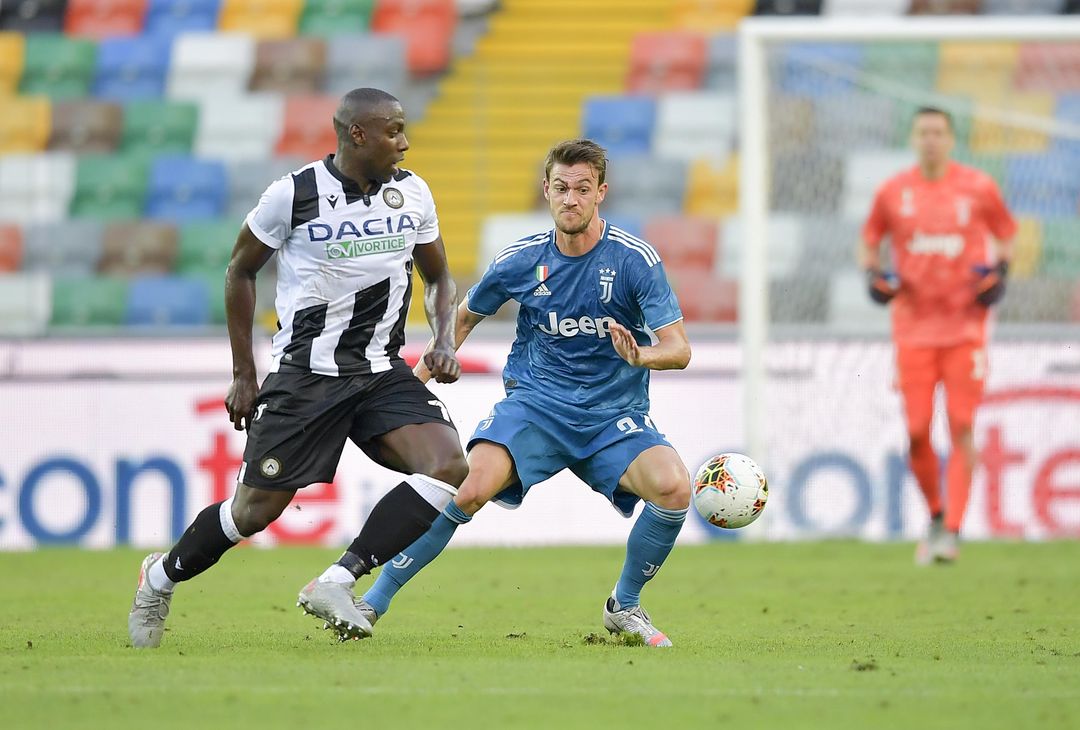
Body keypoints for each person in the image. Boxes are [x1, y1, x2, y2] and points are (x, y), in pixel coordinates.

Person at [128, 88, 468, 648]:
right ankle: (159, 577)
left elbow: (438, 277)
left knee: (448, 467)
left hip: (381, 372)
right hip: (306, 376)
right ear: (358, 134)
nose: (405, 143)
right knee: (252, 514)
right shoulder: (291, 195)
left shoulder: (413, 193)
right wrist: (244, 373)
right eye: (394, 131)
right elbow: (240, 273)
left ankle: (336, 581)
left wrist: (443, 339)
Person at [351, 138, 692, 647]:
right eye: (560, 188)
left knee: (674, 487)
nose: (570, 199)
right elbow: (464, 315)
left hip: (611, 414)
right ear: (546, 191)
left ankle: (625, 605)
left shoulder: (633, 261)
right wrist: (416, 378)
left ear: (601, 192)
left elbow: (679, 349)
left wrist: (641, 355)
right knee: (466, 489)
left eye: (582, 189)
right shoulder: (522, 261)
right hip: (536, 405)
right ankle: (371, 603)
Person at [860, 106, 1016, 565]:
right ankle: (933, 514)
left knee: (963, 425)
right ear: (914, 138)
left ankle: (951, 530)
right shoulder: (893, 192)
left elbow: (1006, 234)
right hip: (913, 329)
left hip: (966, 327)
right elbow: (870, 238)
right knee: (915, 430)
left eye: (938, 132)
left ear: (950, 139)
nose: (931, 139)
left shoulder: (978, 187)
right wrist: (872, 274)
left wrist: (1001, 272)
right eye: (923, 132)